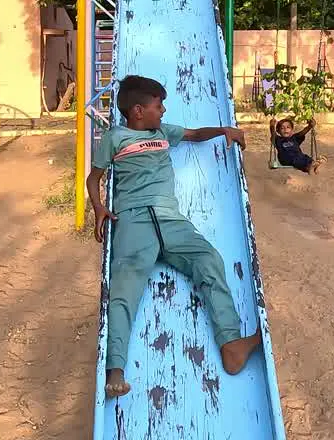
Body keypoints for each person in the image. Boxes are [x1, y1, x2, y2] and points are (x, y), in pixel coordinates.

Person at [87, 75, 262, 399]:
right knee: (124, 288)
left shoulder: (162, 133)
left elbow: (195, 135)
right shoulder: (115, 138)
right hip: (134, 221)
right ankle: (115, 370)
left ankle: (231, 343)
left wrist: (224, 131)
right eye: (158, 106)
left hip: (171, 220)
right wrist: (99, 208)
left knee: (209, 260)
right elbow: (93, 177)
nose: (164, 110)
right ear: (138, 111)